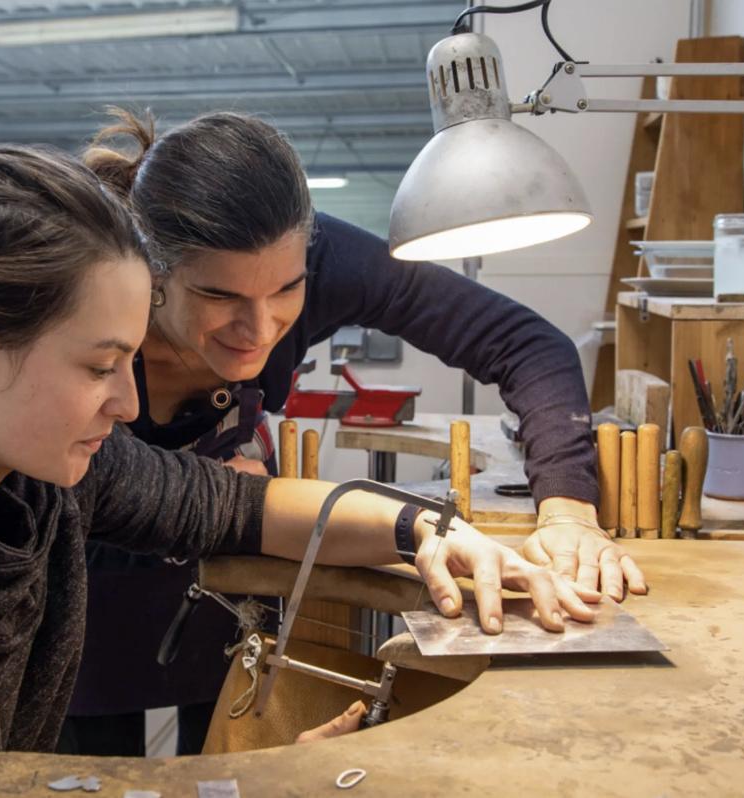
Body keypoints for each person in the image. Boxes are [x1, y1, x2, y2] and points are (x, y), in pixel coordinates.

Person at [0, 142, 596, 797]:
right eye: (101, 367)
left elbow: (233, 507)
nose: (132, 404)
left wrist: (429, 529)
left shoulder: (20, 461)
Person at [63, 109, 650, 756]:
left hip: (233, 568)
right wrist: (216, 495)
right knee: (80, 774)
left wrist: (567, 510)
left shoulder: (321, 258)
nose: (259, 329)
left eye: (287, 289)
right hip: (82, 579)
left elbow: (525, 343)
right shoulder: (86, 293)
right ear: (151, 275)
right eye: (220, 297)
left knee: (230, 766)